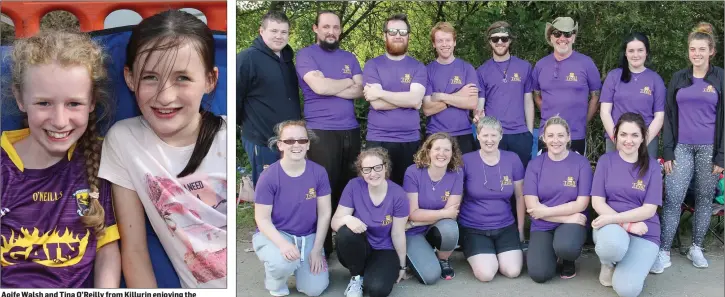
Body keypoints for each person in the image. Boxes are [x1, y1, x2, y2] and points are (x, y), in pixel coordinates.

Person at [99, 10, 227, 288]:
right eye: (150, 78)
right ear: (130, 78)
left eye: (182, 78)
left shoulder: (226, 139)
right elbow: (133, 250)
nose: (165, 96)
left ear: (210, 79)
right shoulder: (124, 141)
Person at [0, 30, 120, 288]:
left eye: (74, 104)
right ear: (20, 99)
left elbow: (107, 249)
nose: (59, 120)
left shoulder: (101, 160)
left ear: (92, 102)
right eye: (43, 103)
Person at [654, 22, 724, 271]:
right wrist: (668, 150)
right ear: (688, 52)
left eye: (702, 49)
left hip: (710, 150)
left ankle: (696, 247)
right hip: (681, 148)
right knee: (673, 198)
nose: (697, 54)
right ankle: (663, 251)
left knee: (704, 199)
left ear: (711, 51)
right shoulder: (678, 78)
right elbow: (669, 117)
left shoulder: (720, 78)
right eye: (693, 49)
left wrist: (721, 156)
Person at [295, 10, 364, 257]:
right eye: (326, 27)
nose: (331, 32)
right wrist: (346, 81)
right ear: (316, 28)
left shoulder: (350, 57)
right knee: (323, 189)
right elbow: (319, 86)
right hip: (321, 132)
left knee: (348, 188)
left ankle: (346, 244)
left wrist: (333, 85)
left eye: (335, 27)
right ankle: (321, 248)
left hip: (351, 131)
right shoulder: (306, 55)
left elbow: (360, 90)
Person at [253, 120, 331, 297]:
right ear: (280, 145)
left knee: (314, 290)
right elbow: (262, 219)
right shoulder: (269, 176)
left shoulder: (319, 172)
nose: (296, 145)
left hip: (307, 236)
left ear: (308, 144)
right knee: (282, 262)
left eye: (302, 140)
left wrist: (317, 249)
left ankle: (299, 266)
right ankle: (276, 282)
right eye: (289, 141)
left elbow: (325, 213)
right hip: (278, 233)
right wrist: (282, 244)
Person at [591, 112, 662, 297]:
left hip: (645, 231)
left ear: (643, 138)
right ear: (616, 135)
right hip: (612, 228)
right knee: (612, 245)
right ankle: (608, 263)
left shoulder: (653, 167)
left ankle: (633, 262)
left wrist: (622, 221)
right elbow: (597, 202)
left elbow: (649, 209)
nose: (628, 140)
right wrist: (626, 224)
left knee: (627, 290)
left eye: (634, 135)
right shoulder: (605, 161)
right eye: (623, 134)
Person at [331, 148, 410, 297]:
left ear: (385, 167)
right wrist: (347, 219)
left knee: (377, 290)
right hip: (358, 249)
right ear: (361, 171)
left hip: (384, 249)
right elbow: (335, 223)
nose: (373, 174)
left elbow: (398, 233)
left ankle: (370, 273)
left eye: (377, 167)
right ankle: (356, 277)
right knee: (345, 231)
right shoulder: (354, 186)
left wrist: (402, 266)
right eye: (367, 170)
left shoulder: (398, 194)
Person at [523, 115, 593, 282]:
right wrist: (568, 217)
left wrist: (544, 211)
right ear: (544, 138)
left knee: (566, 247)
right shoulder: (535, 165)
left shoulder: (581, 163)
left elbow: (582, 203)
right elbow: (533, 207)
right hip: (547, 224)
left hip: (571, 226)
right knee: (540, 274)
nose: (556, 140)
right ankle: (550, 253)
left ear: (568, 137)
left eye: (561, 135)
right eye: (551, 136)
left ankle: (567, 258)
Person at [238, 10, 302, 185]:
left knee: (289, 186)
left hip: (289, 140)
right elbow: (235, 97)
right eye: (274, 31)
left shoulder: (288, 59)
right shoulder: (247, 58)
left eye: (284, 32)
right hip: (262, 140)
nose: (279, 36)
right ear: (261, 31)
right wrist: (247, 126)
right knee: (268, 189)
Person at [458, 116, 525, 282]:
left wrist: (521, 229)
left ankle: (496, 252)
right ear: (478, 136)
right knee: (487, 274)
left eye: (494, 135)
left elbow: (520, 196)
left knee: (513, 271)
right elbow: (456, 196)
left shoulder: (512, 159)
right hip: (474, 227)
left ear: (501, 136)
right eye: (485, 135)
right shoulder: (466, 160)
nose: (489, 140)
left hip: (505, 226)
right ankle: (477, 251)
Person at [363, 13, 426, 186]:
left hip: (409, 140)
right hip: (378, 139)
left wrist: (381, 93)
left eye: (402, 32)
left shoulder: (418, 67)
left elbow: (415, 100)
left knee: (407, 192)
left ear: (408, 36)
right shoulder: (372, 65)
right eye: (392, 31)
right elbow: (375, 104)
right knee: (377, 190)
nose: (398, 35)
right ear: (385, 35)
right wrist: (406, 100)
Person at [532, 17, 601, 156]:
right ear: (551, 37)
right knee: (546, 175)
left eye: (567, 34)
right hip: (547, 134)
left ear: (573, 37)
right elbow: (536, 95)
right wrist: (549, 113)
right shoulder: (540, 65)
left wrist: (583, 120)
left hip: (576, 134)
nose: (562, 38)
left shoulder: (587, 63)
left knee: (573, 177)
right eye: (557, 33)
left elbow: (596, 96)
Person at [403, 132, 464, 283]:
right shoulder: (413, 172)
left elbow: (452, 214)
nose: (441, 154)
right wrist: (442, 213)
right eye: (437, 149)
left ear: (453, 153)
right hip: (413, 233)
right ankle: (420, 255)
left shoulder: (456, 173)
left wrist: (416, 221)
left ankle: (443, 259)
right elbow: (413, 213)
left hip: (429, 227)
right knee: (430, 277)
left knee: (450, 228)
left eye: (447, 150)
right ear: (428, 151)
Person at [476, 21, 535, 167]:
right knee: (496, 179)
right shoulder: (482, 71)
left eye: (504, 38)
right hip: (493, 135)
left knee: (521, 180)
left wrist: (529, 132)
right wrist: (478, 118)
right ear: (489, 41)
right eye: (495, 39)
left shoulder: (524, 67)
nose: (500, 42)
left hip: (520, 134)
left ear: (510, 40)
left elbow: (528, 101)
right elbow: (480, 104)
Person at [600, 33, 665, 156]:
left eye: (640, 50)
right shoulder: (613, 77)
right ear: (625, 53)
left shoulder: (655, 79)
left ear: (646, 52)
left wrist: (642, 141)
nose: (636, 55)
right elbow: (605, 112)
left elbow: (659, 117)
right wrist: (617, 140)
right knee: (616, 175)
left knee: (643, 175)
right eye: (631, 51)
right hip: (616, 140)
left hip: (646, 142)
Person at [421, 22, 478, 154]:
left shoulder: (467, 68)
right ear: (434, 44)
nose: (445, 44)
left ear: (454, 42)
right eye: (440, 41)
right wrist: (459, 95)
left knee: (464, 174)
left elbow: (472, 103)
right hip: (435, 134)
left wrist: (441, 96)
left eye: (448, 40)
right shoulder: (427, 70)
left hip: (463, 133)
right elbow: (427, 109)